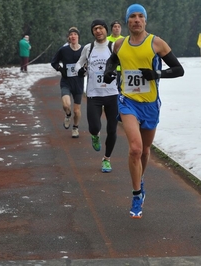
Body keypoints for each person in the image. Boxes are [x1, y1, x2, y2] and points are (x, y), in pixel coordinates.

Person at [104, 4, 184, 218]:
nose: (136, 20)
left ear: (145, 21)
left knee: (146, 150)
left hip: (150, 104)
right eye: (132, 17)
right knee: (135, 149)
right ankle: (137, 193)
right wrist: (109, 73)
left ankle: (139, 180)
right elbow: (112, 62)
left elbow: (179, 70)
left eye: (140, 16)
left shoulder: (156, 43)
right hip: (127, 101)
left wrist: (156, 73)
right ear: (127, 22)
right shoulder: (119, 45)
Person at [75, 19, 119, 173]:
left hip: (112, 94)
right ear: (92, 32)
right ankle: (95, 135)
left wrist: (115, 73)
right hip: (94, 94)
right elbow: (78, 64)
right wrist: (80, 71)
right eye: (95, 29)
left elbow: (124, 64)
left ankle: (106, 159)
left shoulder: (113, 46)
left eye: (101, 28)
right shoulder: (89, 48)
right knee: (94, 127)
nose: (98, 31)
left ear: (106, 30)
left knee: (112, 129)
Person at [51, 27, 84, 138]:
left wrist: (84, 70)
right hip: (66, 81)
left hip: (78, 83)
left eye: (75, 34)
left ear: (78, 36)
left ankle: (75, 128)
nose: (73, 36)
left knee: (77, 110)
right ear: (69, 38)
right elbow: (54, 62)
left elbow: (89, 63)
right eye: (71, 34)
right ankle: (67, 115)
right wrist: (60, 69)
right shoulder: (63, 50)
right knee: (66, 105)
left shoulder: (84, 50)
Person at [107, 20, 124, 90]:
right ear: (111, 29)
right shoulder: (106, 39)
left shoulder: (125, 40)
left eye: (119, 27)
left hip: (121, 69)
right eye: (115, 27)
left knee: (120, 90)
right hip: (109, 69)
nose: (117, 28)